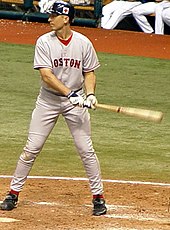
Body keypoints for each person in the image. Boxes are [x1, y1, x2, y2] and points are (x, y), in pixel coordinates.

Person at [0, 0, 107, 216]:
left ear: (65, 18)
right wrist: (71, 94)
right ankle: (13, 193)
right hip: (48, 100)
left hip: (75, 103)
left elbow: (89, 72)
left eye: (53, 15)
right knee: (32, 148)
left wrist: (91, 94)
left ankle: (98, 197)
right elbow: (46, 76)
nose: (49, 19)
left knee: (86, 150)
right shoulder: (44, 42)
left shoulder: (83, 43)